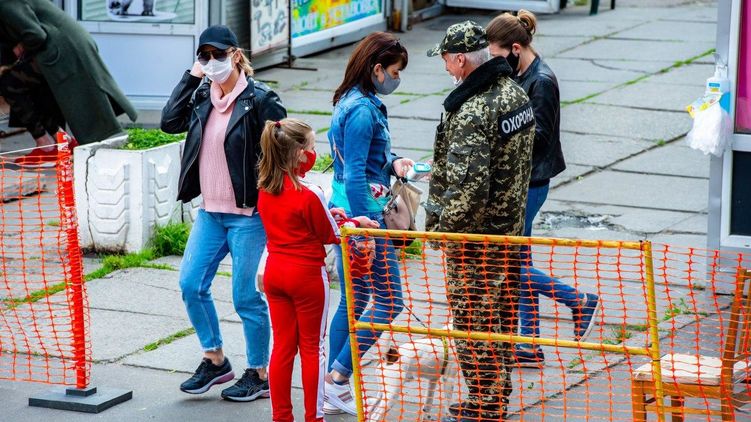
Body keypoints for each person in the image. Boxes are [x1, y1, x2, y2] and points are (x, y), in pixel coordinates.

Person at [160, 25, 286, 401]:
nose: (212, 61)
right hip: (211, 213)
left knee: (245, 296)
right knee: (190, 284)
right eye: (205, 55)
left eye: (218, 54)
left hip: (248, 215)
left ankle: (259, 373)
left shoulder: (260, 99)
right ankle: (215, 360)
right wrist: (191, 76)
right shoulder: (201, 95)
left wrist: (275, 203)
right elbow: (169, 122)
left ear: (236, 54)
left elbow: (284, 153)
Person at [424, 21, 534, 422]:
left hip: (475, 242)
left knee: (473, 320)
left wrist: (442, 232)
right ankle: (496, 396)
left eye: (445, 60)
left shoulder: (473, 109)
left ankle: (485, 404)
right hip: (508, 233)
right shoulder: (514, 94)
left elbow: (468, 189)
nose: (445, 68)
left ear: (460, 60)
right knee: (500, 317)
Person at [486, 10, 601, 368]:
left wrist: (498, 135)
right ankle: (530, 344)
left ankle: (578, 300)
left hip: (531, 182)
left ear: (515, 48)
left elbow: (541, 137)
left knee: (509, 264)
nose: (494, 62)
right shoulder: (520, 74)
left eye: (497, 55)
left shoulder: (543, 81)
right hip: (520, 180)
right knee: (520, 260)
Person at [257, 118, 379, 422]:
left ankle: (281, 416)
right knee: (313, 348)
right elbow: (331, 235)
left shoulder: (265, 188)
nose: (314, 153)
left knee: (282, 347)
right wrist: (355, 222)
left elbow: (300, 222)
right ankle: (314, 417)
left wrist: (331, 214)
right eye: (311, 147)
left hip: (275, 272)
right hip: (306, 276)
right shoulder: (309, 192)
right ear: (299, 153)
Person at [324, 32, 414, 415]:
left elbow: (360, 161)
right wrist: (366, 230)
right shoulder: (362, 110)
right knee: (390, 301)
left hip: (349, 212)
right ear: (377, 69)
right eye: (394, 72)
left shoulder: (352, 100)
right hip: (363, 216)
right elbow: (355, 173)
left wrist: (392, 162)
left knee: (355, 300)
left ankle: (330, 385)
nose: (397, 79)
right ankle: (337, 378)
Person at [0, 0, 137, 165]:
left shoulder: (6, 3)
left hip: (59, 49)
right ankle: (60, 140)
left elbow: (35, 34)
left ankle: (47, 145)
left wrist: (19, 47)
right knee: (26, 85)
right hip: (62, 44)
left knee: (10, 84)